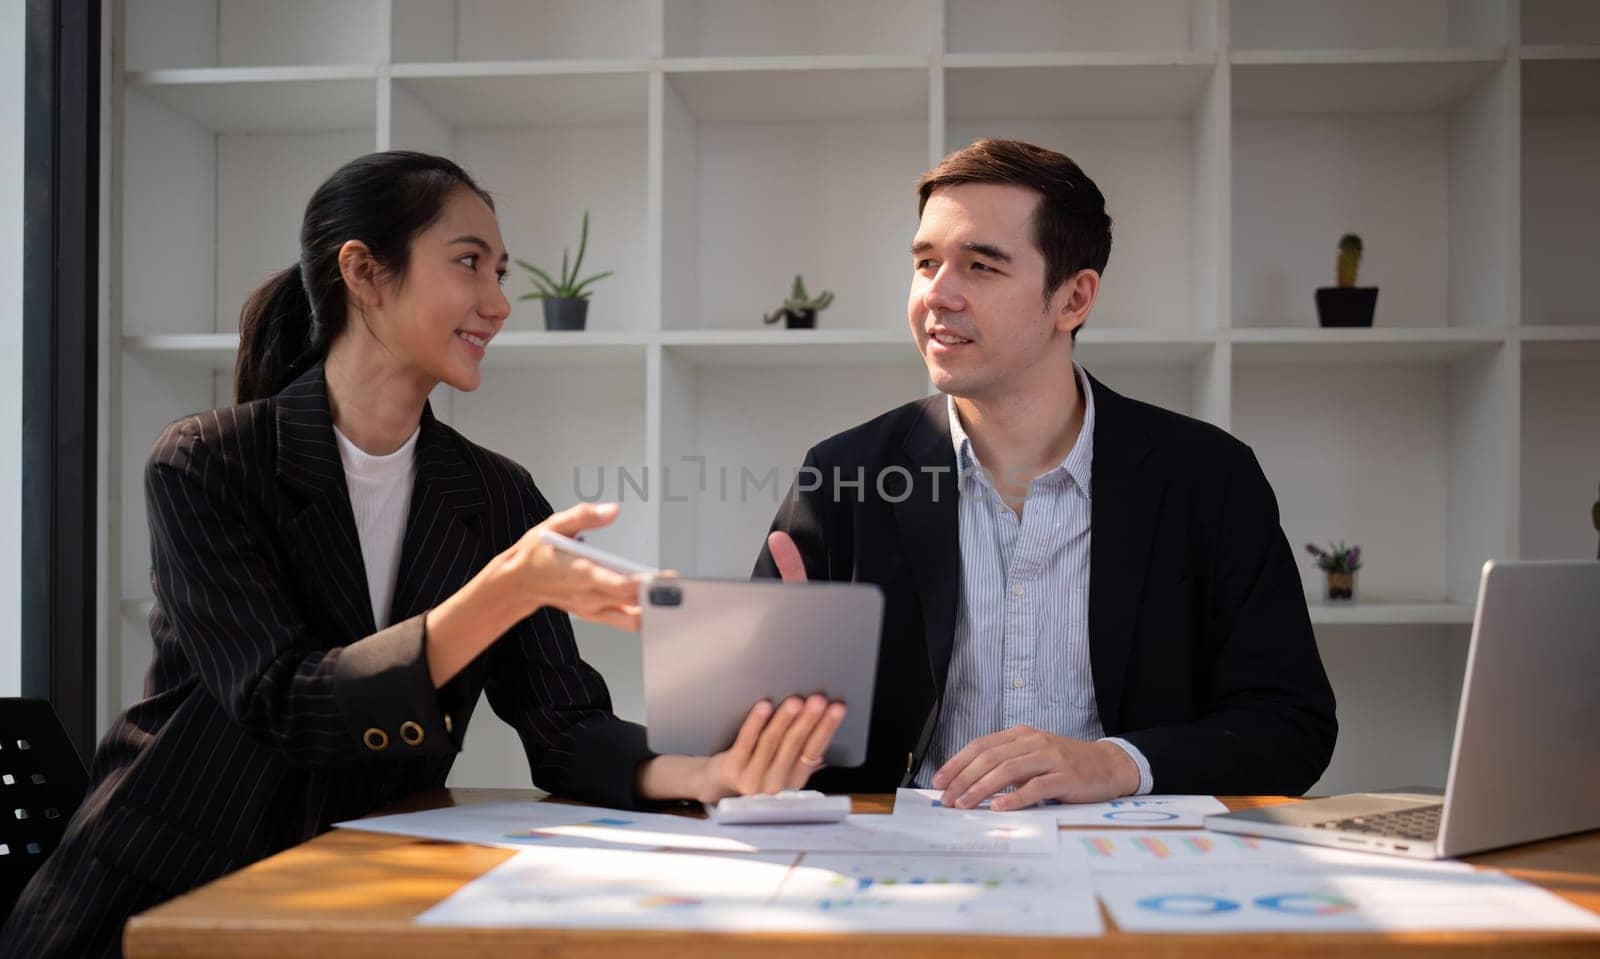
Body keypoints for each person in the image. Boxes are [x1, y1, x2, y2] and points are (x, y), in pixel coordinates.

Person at [1, 152, 839, 957]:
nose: (498, 301)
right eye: (469, 262)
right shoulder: (206, 462)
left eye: (502, 273)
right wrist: (504, 590)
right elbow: (283, 702)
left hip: (358, 897)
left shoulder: (497, 495)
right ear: (363, 271)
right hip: (157, 897)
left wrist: (703, 769)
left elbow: (564, 728)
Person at [754, 138, 1337, 811]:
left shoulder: (1209, 477)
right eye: (925, 263)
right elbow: (756, 745)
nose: (937, 296)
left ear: (1074, 299)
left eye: (980, 266)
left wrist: (1118, 762)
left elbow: (1292, 726)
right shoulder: (843, 476)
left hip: (1136, 864)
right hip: (914, 867)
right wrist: (785, 739)